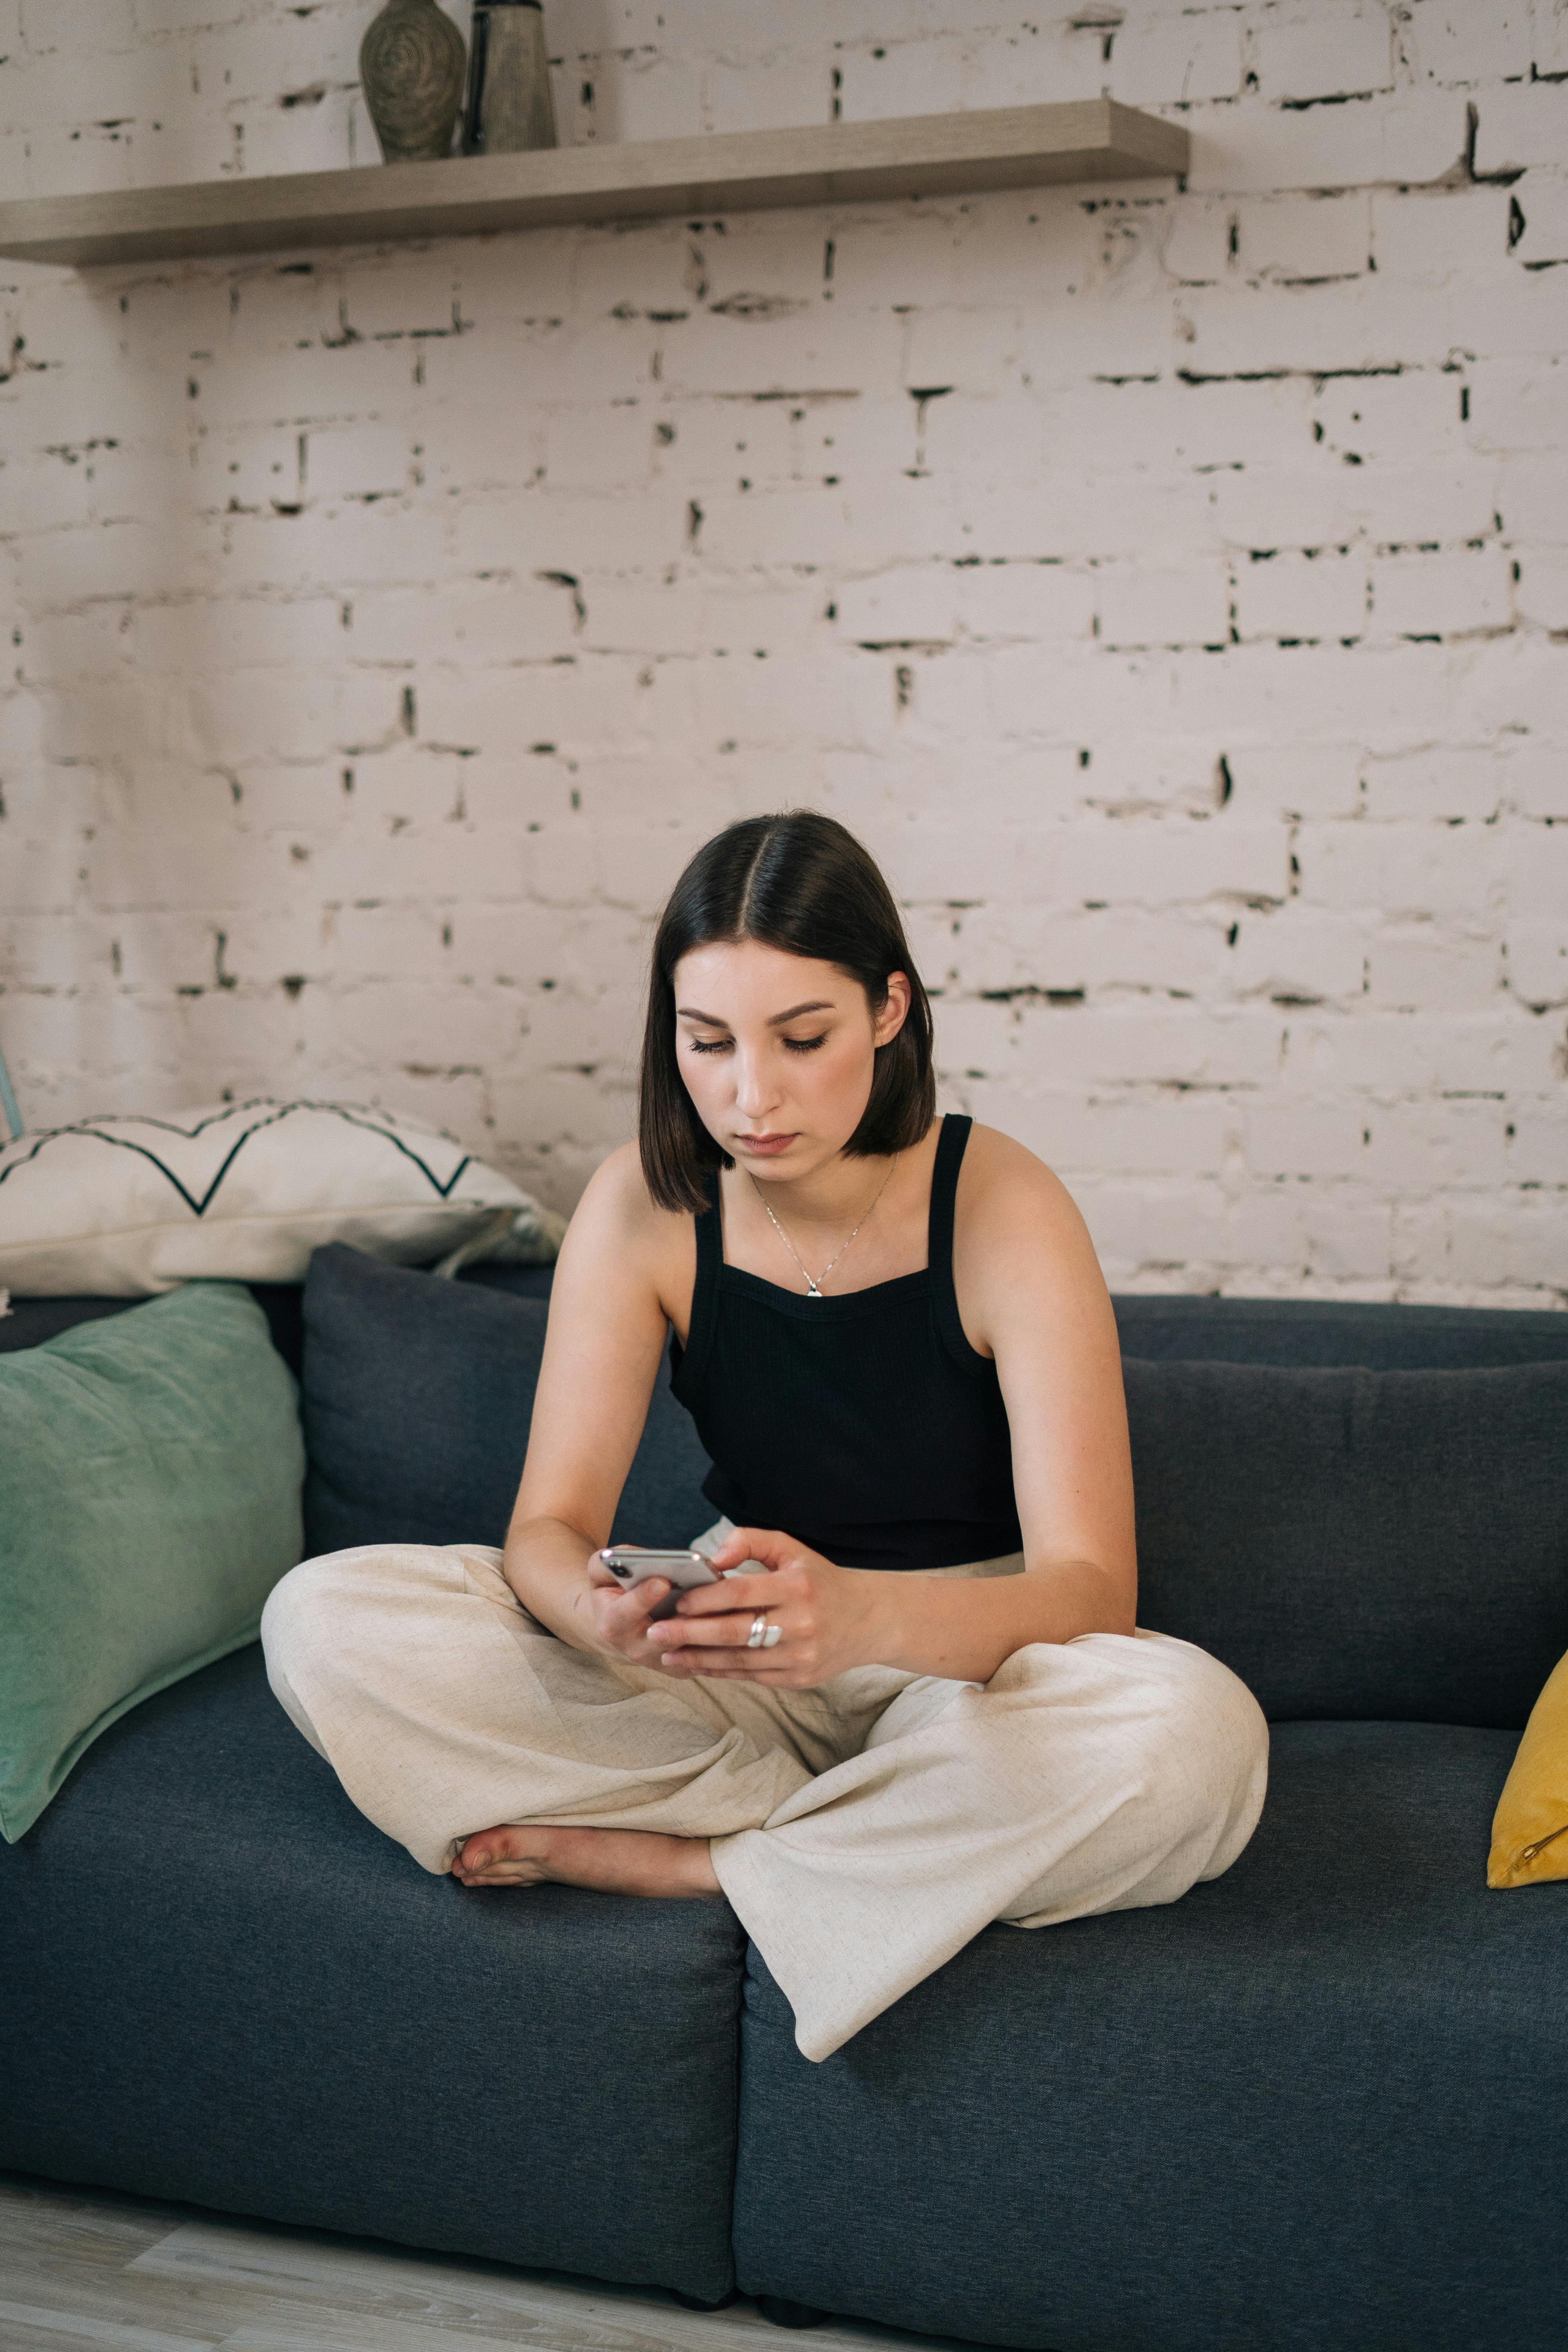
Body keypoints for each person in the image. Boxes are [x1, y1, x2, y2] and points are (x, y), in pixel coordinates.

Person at [262, 811, 1267, 2063]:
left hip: (974, 1679)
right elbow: (545, 1530)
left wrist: (857, 1620)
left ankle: (712, 1868)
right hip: (730, 1681)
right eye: (708, 1042)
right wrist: (598, 1612)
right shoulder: (644, 1204)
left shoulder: (1003, 1201)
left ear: (889, 1010)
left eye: (803, 1039)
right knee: (323, 1616)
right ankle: (873, 1843)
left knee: (1196, 1737)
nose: (753, 1094)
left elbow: (1091, 1590)